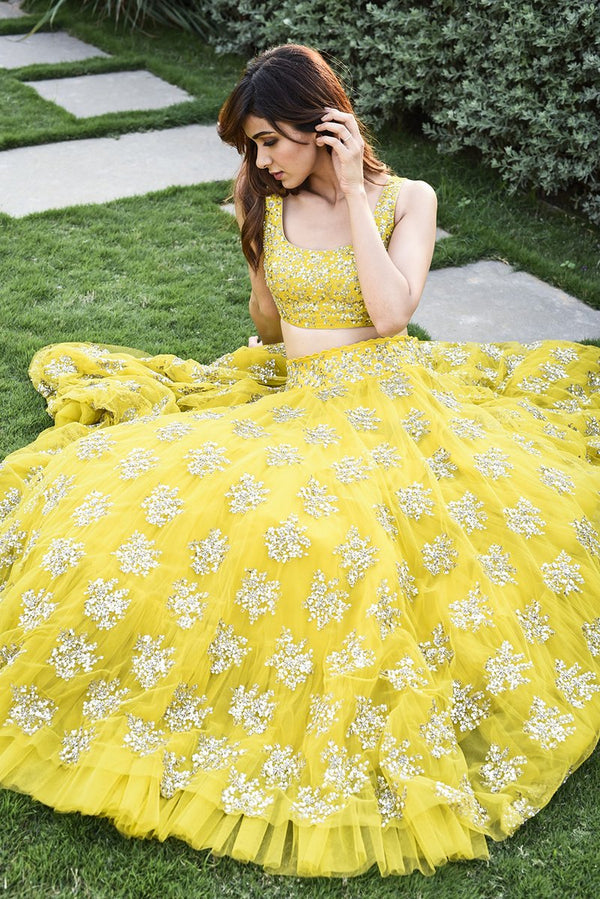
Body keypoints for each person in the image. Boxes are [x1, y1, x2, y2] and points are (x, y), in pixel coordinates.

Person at [0, 44, 599, 879]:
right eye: (250, 145)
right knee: (170, 516)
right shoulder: (262, 197)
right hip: (298, 394)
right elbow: (273, 327)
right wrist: (256, 252)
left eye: (271, 140)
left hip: (386, 401)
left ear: (327, 128)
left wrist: (353, 194)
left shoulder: (407, 200)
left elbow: (391, 314)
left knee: (350, 549)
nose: (261, 158)